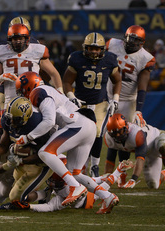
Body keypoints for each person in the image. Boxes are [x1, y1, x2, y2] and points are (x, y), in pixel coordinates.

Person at [15, 71, 119, 214]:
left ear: (29, 86)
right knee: (74, 172)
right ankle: (107, 196)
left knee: (45, 152)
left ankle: (74, 187)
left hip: (77, 124)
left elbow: (49, 121)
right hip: (88, 126)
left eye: (21, 90)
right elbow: (55, 124)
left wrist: (28, 138)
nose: (22, 94)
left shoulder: (38, 92)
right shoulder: (47, 90)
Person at [62, 32, 122, 177]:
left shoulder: (110, 60)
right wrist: (71, 96)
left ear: (103, 49)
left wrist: (115, 99)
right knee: (78, 134)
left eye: (97, 49)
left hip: (100, 103)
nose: (94, 52)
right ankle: (79, 165)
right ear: (85, 48)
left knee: (97, 133)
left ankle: (94, 166)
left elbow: (117, 81)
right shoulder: (76, 58)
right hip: (80, 103)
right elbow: (66, 81)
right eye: (90, 48)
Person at [104, 25, 156, 186]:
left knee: (123, 138)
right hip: (108, 97)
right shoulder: (112, 44)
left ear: (142, 42)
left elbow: (142, 86)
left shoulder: (145, 57)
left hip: (129, 100)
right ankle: (110, 172)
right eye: (129, 38)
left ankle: (124, 174)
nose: (131, 42)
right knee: (109, 136)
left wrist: (139, 110)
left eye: (136, 40)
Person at [0, 97, 54, 210]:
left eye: (15, 119)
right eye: (10, 118)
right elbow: (3, 145)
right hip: (22, 163)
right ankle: (1, 191)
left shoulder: (39, 125)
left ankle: (45, 194)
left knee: (15, 197)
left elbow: (44, 156)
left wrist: (21, 159)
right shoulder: (8, 121)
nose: (11, 122)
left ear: (25, 117)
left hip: (40, 164)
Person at [0, 23, 63, 110]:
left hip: (34, 99)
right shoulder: (2, 51)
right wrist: (1, 77)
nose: (18, 42)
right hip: (11, 101)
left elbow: (53, 73)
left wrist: (60, 93)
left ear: (27, 39)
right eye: (15, 39)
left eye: (20, 38)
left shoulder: (37, 50)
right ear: (9, 40)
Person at [27, 159, 134, 213]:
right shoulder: (67, 182)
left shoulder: (65, 191)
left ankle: (118, 171)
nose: (52, 183)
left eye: (54, 181)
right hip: (80, 191)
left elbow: (50, 206)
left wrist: (30, 207)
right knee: (93, 183)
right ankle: (116, 171)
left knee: (100, 189)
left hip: (85, 201)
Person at [104, 113, 165, 189]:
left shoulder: (136, 134)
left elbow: (140, 158)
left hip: (158, 138)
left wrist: (133, 179)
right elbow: (110, 160)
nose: (118, 136)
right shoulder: (110, 139)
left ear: (126, 127)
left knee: (163, 146)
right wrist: (106, 179)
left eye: (119, 131)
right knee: (153, 185)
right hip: (149, 152)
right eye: (114, 133)